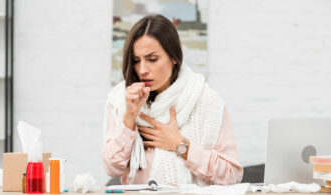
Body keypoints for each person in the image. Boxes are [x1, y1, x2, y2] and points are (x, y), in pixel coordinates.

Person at [102, 14, 243, 186]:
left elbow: (232, 174)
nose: (143, 70)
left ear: (174, 57)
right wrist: (130, 116)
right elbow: (112, 168)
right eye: (136, 61)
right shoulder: (120, 100)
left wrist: (180, 145)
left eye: (152, 59)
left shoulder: (205, 101)